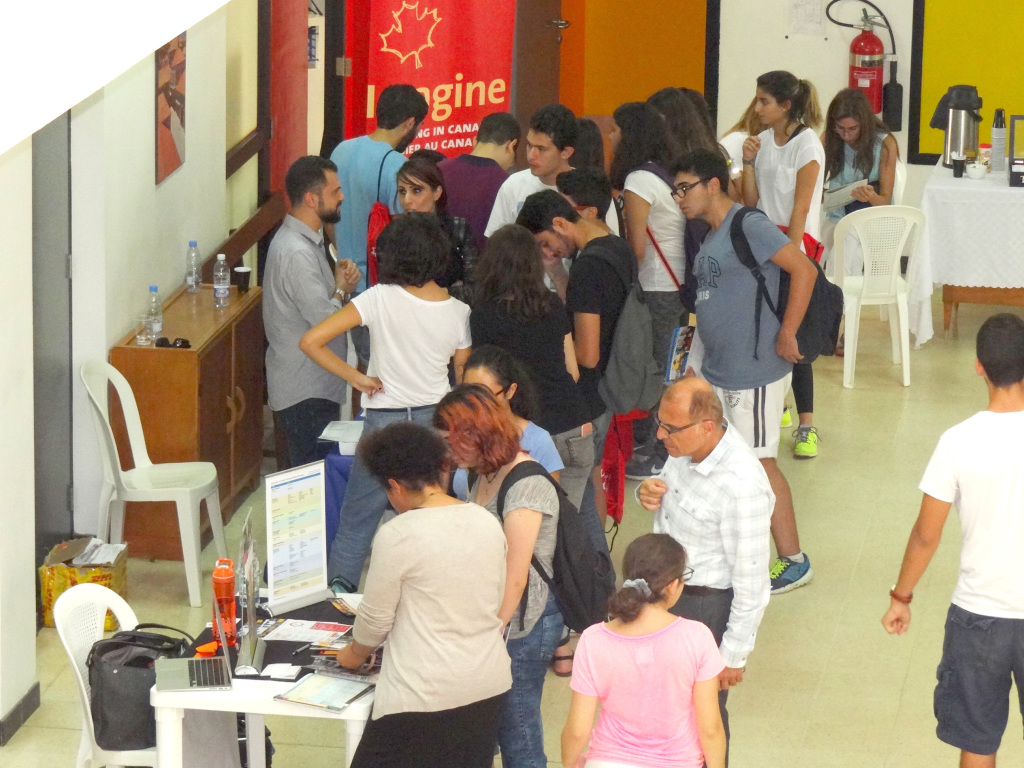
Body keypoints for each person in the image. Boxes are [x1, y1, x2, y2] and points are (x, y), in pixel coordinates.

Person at [299, 213, 472, 591]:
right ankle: (433, 591)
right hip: (435, 425)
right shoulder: (459, 312)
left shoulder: (378, 298)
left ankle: (338, 603)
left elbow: (310, 341)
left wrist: (357, 378)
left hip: (382, 426)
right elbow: (462, 377)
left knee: (357, 520)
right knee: (433, 515)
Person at [882, 313, 1024, 768]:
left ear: (979, 366)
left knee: (978, 742)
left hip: (979, 616)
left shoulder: (957, 442)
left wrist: (901, 596)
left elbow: (927, 534)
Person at [672, 150, 817, 595]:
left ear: (713, 184)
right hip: (720, 369)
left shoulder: (747, 224)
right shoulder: (710, 234)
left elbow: (804, 270)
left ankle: (793, 560)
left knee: (760, 463)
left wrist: (788, 333)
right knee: (728, 462)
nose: (678, 198)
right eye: (675, 190)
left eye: (684, 188)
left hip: (753, 372)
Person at [337, 421, 511, 768]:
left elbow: (375, 621)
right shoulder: (485, 520)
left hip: (421, 696)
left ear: (395, 486)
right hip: (487, 686)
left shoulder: (398, 533)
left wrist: (353, 654)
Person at [636, 379, 772, 756]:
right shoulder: (684, 446)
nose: (661, 435)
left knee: (704, 716)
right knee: (663, 709)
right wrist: (646, 490)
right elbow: (663, 488)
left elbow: (752, 582)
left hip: (704, 608)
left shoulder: (742, 487)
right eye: (659, 423)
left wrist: (732, 656)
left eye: (670, 428)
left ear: (707, 426)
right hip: (664, 595)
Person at [433, 385, 563, 768]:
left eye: (451, 440)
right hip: (495, 619)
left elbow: (517, 577)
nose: (447, 451)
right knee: (486, 729)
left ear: (478, 435)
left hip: (522, 625)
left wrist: (490, 635)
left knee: (518, 733)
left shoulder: (526, 483)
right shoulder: (478, 475)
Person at [517, 190, 633, 538]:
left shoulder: (588, 267)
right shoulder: (615, 246)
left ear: (559, 224)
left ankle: (589, 564)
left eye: (545, 243)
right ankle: (596, 565)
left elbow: (587, 355)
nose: (547, 252)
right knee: (591, 481)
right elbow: (586, 308)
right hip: (612, 384)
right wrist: (556, 271)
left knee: (578, 496)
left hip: (588, 394)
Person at [562, 533, 727, 768]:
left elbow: (577, 731)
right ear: (672, 585)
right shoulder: (696, 637)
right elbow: (710, 729)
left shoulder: (592, 640)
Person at [741, 70, 824, 461]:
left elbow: (801, 206)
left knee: (795, 332)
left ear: (786, 105)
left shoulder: (807, 144)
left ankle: (807, 425)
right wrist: (749, 163)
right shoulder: (763, 142)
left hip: (795, 242)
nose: (757, 109)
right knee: (766, 327)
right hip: (766, 238)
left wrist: (791, 261)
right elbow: (754, 200)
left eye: (764, 102)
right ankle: (781, 406)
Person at [263, 156, 361, 468]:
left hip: (312, 385)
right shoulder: (297, 253)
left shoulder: (309, 241)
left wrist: (338, 286)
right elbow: (326, 321)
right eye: (335, 191)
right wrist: (342, 290)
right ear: (311, 198)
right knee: (308, 487)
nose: (342, 196)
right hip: (305, 391)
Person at [609, 101, 687, 480]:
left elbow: (636, 247)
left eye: (616, 130)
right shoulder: (665, 173)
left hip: (656, 287)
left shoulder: (638, 181)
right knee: (671, 365)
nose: (611, 136)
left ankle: (661, 452)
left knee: (657, 370)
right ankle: (661, 447)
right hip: (678, 286)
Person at [329, 84, 428, 365]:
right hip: (379, 289)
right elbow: (400, 234)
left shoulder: (341, 150)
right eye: (418, 126)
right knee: (382, 370)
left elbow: (329, 217)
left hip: (345, 282)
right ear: (410, 123)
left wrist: (343, 251)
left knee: (361, 368)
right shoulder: (397, 165)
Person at [485, 104, 619, 236]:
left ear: (566, 152)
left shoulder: (594, 191)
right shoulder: (512, 185)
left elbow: (610, 245)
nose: (531, 155)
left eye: (541, 149)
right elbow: (497, 244)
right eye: (529, 145)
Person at [822, 87, 899, 276]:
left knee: (849, 234)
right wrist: (822, 196)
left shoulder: (884, 144)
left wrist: (871, 196)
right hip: (839, 214)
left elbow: (885, 202)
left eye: (852, 129)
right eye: (840, 128)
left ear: (864, 124)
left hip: (874, 215)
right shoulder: (830, 138)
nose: (846, 136)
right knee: (852, 246)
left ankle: (838, 295)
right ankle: (845, 299)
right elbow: (813, 181)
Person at [462, 344, 564, 483]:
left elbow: (551, 501)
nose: (475, 403)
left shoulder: (538, 441)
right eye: (468, 394)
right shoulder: (459, 434)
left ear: (510, 391)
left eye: (485, 395)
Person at [395, 156, 478, 301]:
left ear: (437, 193)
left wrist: (442, 292)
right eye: (402, 192)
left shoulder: (458, 229)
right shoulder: (394, 236)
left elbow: (475, 290)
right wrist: (451, 289)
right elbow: (393, 294)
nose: (407, 200)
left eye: (416, 190)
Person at [439, 112, 521, 253]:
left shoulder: (438, 170)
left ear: (475, 140)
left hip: (437, 267)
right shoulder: (508, 184)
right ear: (511, 146)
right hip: (486, 269)